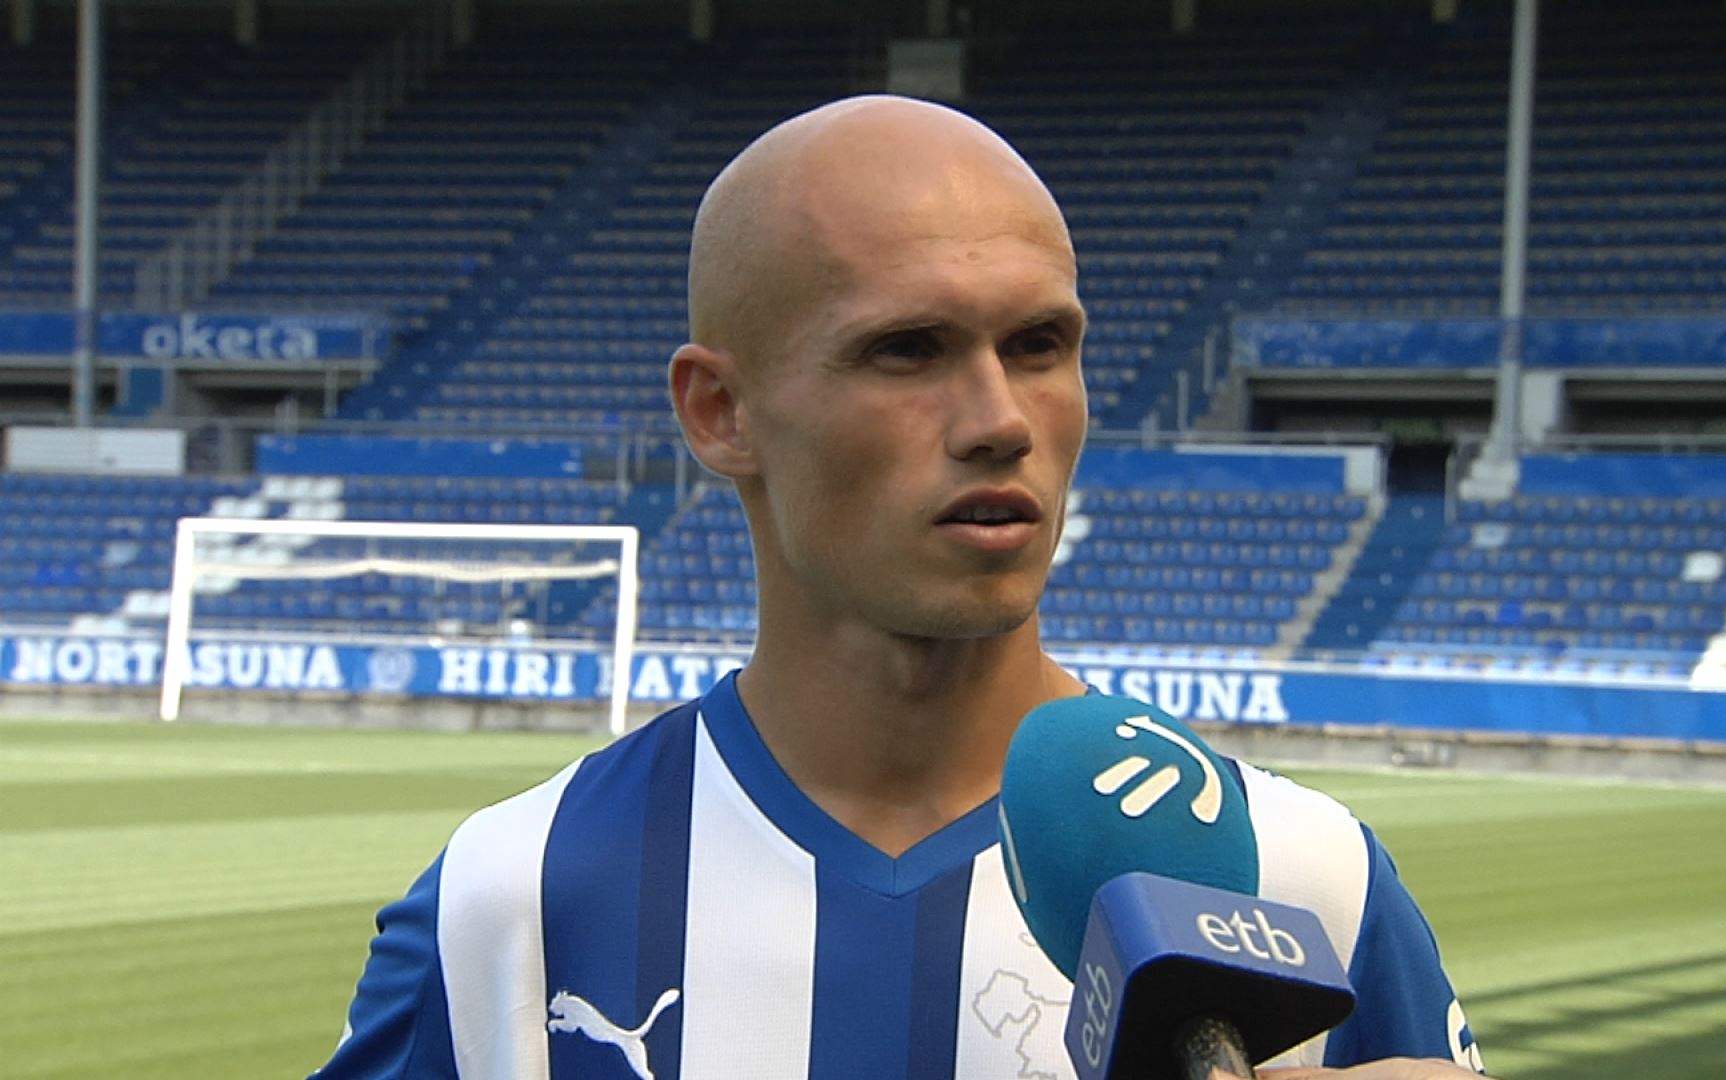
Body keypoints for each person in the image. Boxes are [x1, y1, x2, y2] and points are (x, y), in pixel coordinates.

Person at [313, 95, 1491, 1080]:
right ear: (721, 413)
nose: (1000, 420)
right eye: (908, 350)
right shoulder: (508, 902)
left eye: (1039, 345)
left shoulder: (1300, 883)